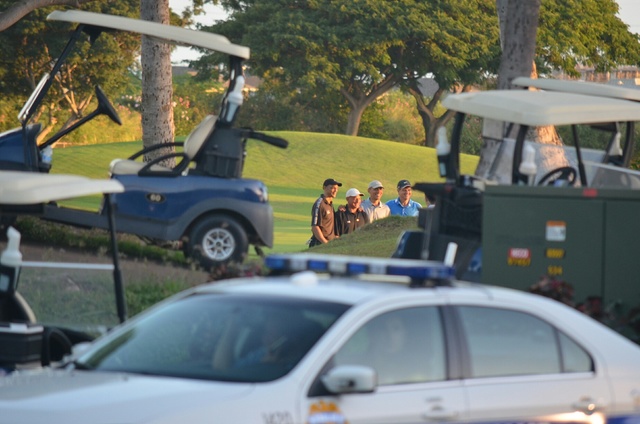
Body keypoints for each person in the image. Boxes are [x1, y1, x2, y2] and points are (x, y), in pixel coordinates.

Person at [309, 178, 341, 247]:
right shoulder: (320, 204)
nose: (335, 190)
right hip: (319, 244)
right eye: (332, 188)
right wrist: (325, 243)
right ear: (324, 188)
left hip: (330, 244)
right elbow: (315, 227)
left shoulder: (330, 204)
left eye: (336, 188)